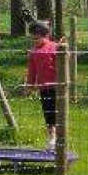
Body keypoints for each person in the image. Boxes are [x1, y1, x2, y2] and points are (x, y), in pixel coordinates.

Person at [25, 20, 62, 152]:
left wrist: (64, 50)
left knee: (59, 113)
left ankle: (59, 139)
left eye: (37, 38)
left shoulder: (55, 47)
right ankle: (51, 140)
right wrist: (29, 86)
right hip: (44, 88)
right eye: (33, 38)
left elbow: (64, 64)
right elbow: (32, 71)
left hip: (58, 87)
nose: (35, 40)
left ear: (45, 35)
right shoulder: (33, 52)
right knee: (48, 114)